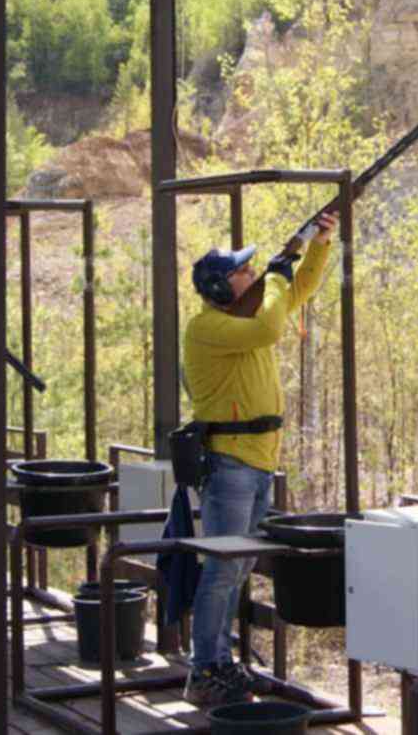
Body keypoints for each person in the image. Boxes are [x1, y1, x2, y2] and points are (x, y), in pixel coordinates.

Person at [179, 211, 338, 707]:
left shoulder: (245, 316)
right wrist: (274, 273)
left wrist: (316, 244)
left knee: (240, 566)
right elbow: (272, 322)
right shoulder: (207, 327)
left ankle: (220, 663)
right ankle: (205, 669)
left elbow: (299, 290)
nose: (251, 275)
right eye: (241, 272)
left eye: (251, 270)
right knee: (222, 569)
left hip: (257, 459)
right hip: (230, 462)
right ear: (222, 288)